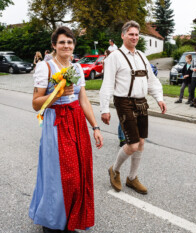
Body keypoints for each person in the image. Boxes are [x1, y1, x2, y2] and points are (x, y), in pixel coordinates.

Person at [30, 26, 103, 233]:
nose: (66, 45)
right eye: (62, 42)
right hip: (56, 122)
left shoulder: (77, 68)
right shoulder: (46, 67)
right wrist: (58, 94)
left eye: (70, 42)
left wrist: (95, 127)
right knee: (59, 173)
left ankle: (71, 218)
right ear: (54, 45)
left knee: (78, 173)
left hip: (76, 121)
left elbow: (83, 99)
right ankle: (52, 220)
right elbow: (36, 103)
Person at [100, 21, 166, 195]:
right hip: (124, 102)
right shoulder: (114, 57)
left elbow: (151, 81)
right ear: (123, 35)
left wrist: (159, 98)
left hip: (141, 102)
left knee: (141, 142)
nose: (134, 37)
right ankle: (114, 170)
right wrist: (104, 108)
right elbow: (107, 84)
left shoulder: (142, 56)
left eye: (136, 34)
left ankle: (132, 177)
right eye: (131, 34)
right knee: (133, 144)